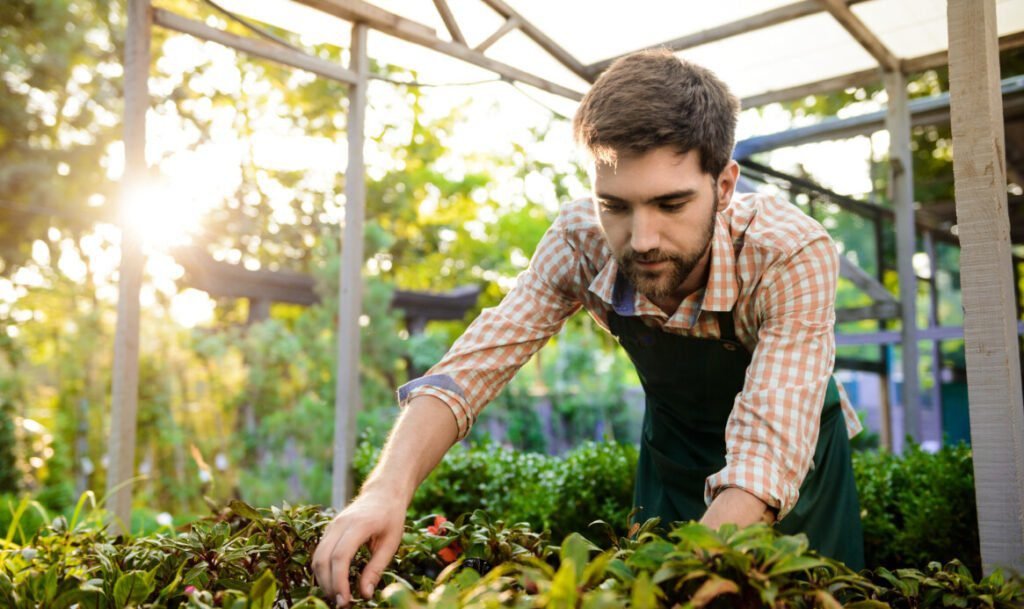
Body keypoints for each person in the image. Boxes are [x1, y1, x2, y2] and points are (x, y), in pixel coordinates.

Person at [312, 49, 865, 606]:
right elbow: (472, 367)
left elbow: (766, 454)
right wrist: (383, 492)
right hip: (673, 456)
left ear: (724, 186)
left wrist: (676, 577)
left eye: (670, 204)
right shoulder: (580, 240)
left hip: (797, 470)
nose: (642, 238)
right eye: (616, 206)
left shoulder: (789, 253)